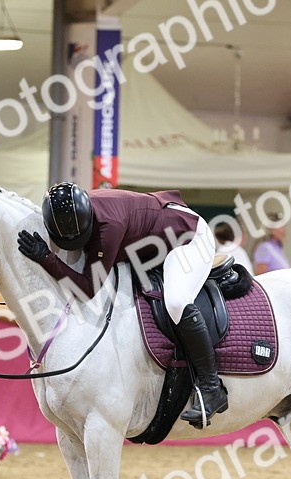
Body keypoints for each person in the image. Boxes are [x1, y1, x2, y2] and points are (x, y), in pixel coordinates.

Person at [17, 183, 227, 427]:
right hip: (152, 239)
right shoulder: (76, 210)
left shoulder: (109, 227)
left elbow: (87, 289)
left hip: (187, 238)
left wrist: (46, 259)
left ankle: (213, 388)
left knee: (177, 301)